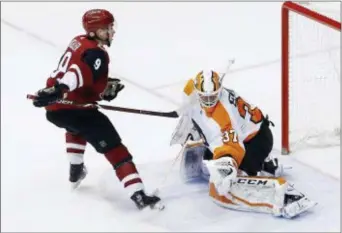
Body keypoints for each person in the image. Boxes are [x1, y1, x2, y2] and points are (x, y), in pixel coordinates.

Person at [31, 9, 163, 211]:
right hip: (76, 108)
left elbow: (78, 69)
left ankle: (75, 170)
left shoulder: (78, 41)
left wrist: (98, 87)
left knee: (75, 127)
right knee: (116, 151)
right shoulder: (97, 54)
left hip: (56, 110)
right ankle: (139, 196)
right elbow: (79, 73)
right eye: (108, 28)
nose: (112, 32)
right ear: (95, 31)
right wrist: (60, 89)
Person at [170, 69, 316, 218]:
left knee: (223, 187)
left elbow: (233, 147)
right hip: (248, 133)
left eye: (212, 97)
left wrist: (227, 167)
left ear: (219, 92)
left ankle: (282, 192)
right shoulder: (192, 91)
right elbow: (189, 89)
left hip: (257, 141)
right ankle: (265, 164)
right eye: (204, 97)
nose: (208, 101)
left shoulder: (224, 117)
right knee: (208, 162)